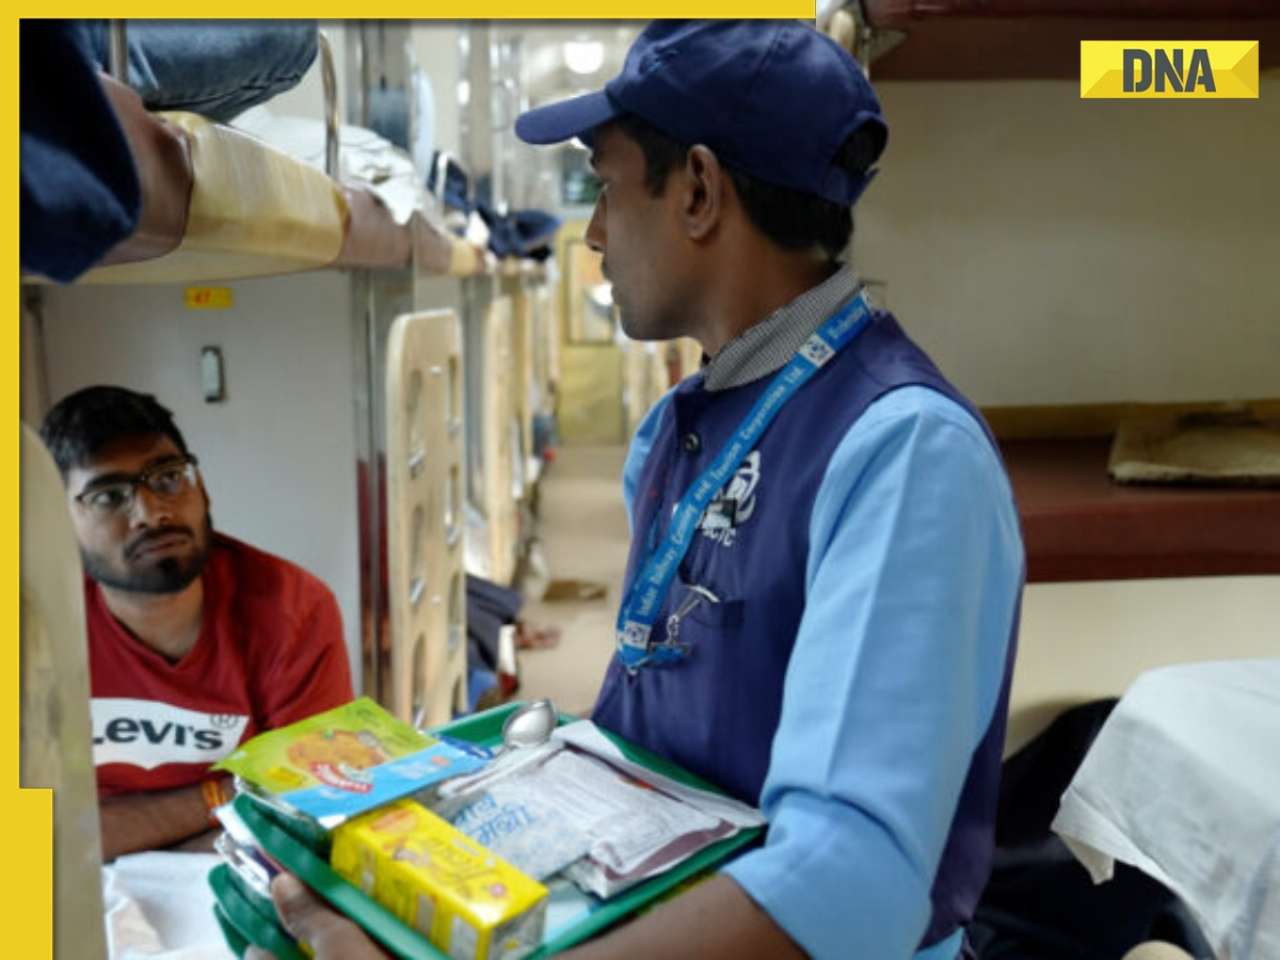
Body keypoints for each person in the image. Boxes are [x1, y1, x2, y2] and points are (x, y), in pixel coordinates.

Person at [245, 20, 1023, 960]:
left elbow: (849, 883)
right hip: (664, 896)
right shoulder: (681, 429)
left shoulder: (902, 455)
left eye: (608, 189)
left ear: (697, 190)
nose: (596, 237)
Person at [40, 386, 354, 860]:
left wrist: (120, 832)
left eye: (167, 478)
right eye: (108, 496)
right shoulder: (35, 630)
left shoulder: (292, 611)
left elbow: (308, 814)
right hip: (87, 887)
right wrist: (222, 796)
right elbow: (36, 836)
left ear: (201, 488)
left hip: (235, 873)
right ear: (58, 522)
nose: (151, 513)